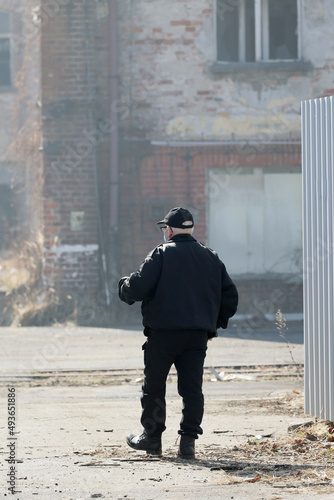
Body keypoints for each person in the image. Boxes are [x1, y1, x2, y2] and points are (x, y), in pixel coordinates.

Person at [118, 207, 238, 459]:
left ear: (169, 230)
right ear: (191, 229)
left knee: (154, 387)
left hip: (163, 334)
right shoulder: (210, 257)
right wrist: (212, 326)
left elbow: (138, 287)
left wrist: (124, 286)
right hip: (196, 336)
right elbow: (230, 297)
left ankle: (152, 439)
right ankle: (188, 444)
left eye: (165, 229)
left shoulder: (161, 254)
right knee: (192, 389)